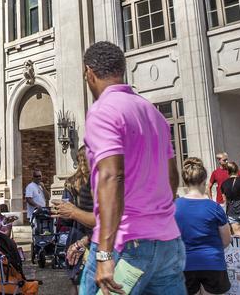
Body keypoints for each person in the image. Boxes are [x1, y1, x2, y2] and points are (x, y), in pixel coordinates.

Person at [80, 41, 185, 295]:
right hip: (168, 242)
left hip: (125, 244)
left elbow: (111, 175)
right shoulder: (153, 113)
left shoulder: (103, 111)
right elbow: (172, 180)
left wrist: (104, 254)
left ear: (89, 73)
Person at [174, 158, 231, 295]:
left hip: (184, 264)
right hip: (213, 263)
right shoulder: (215, 207)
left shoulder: (174, 207)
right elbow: (226, 241)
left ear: (185, 181)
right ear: (204, 180)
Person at [53, 145, 95, 295]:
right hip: (94, 235)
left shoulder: (71, 183)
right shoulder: (100, 180)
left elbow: (65, 219)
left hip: (76, 235)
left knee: (75, 280)